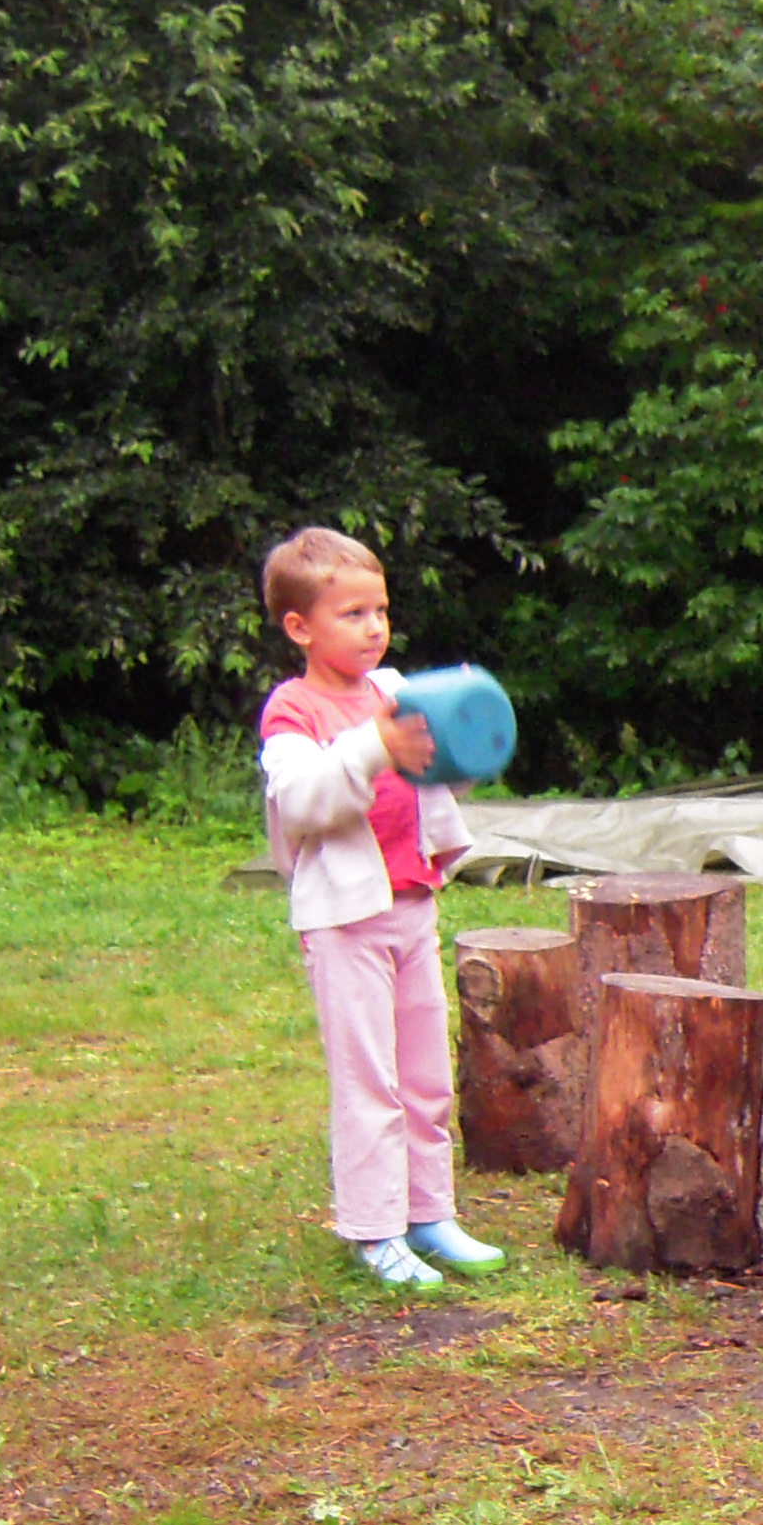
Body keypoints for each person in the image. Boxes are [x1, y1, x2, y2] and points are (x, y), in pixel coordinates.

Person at [255, 526, 495, 1292]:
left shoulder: (393, 692)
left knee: (425, 1077)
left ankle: (429, 1214)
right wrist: (373, 745)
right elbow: (303, 801)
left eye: (381, 611)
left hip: (411, 904)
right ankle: (374, 1230)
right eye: (352, 614)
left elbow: (440, 777)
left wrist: (463, 736)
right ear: (300, 627)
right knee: (369, 1082)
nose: (373, 628)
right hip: (344, 921)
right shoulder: (293, 711)